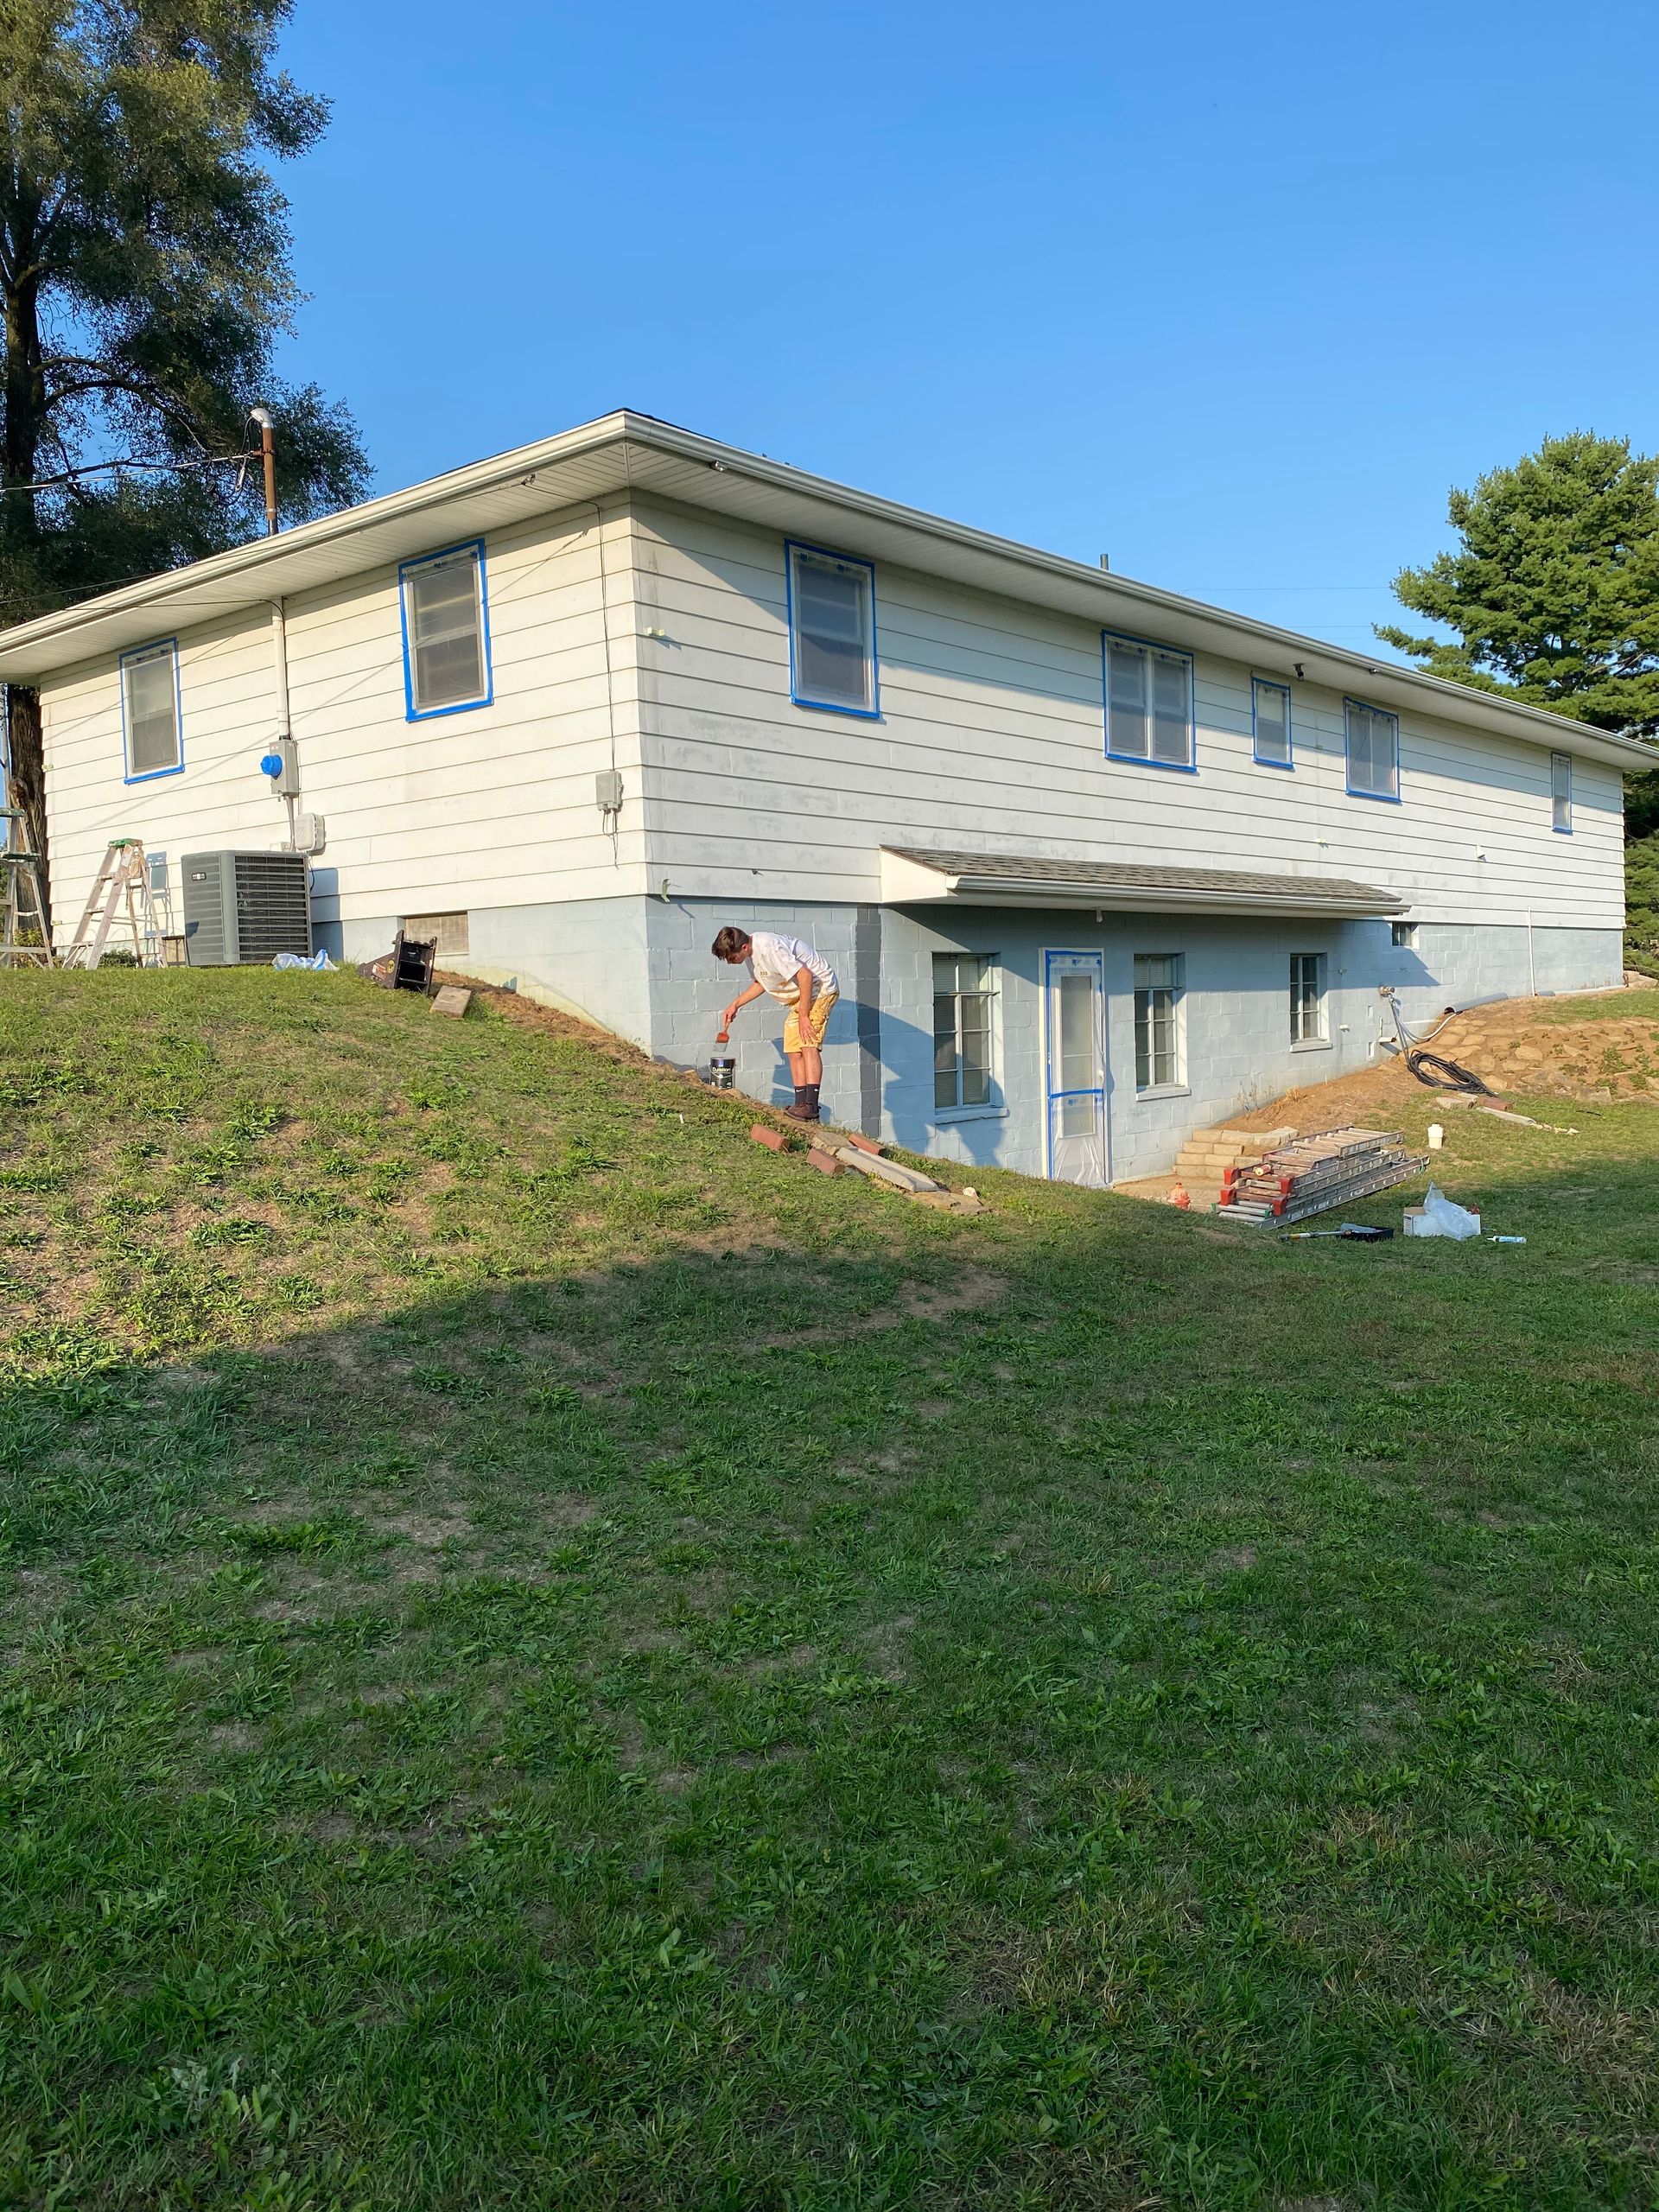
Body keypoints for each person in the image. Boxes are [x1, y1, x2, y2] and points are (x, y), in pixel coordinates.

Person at [712, 925, 839, 1122]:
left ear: (744, 947)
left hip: (820, 989)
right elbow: (762, 982)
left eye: (731, 958)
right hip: (801, 996)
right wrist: (735, 1004)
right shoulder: (751, 956)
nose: (730, 962)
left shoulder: (770, 947)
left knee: (808, 1043)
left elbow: (805, 975)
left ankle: (811, 1107)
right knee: (792, 1048)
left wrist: (804, 1016)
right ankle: (800, 1104)